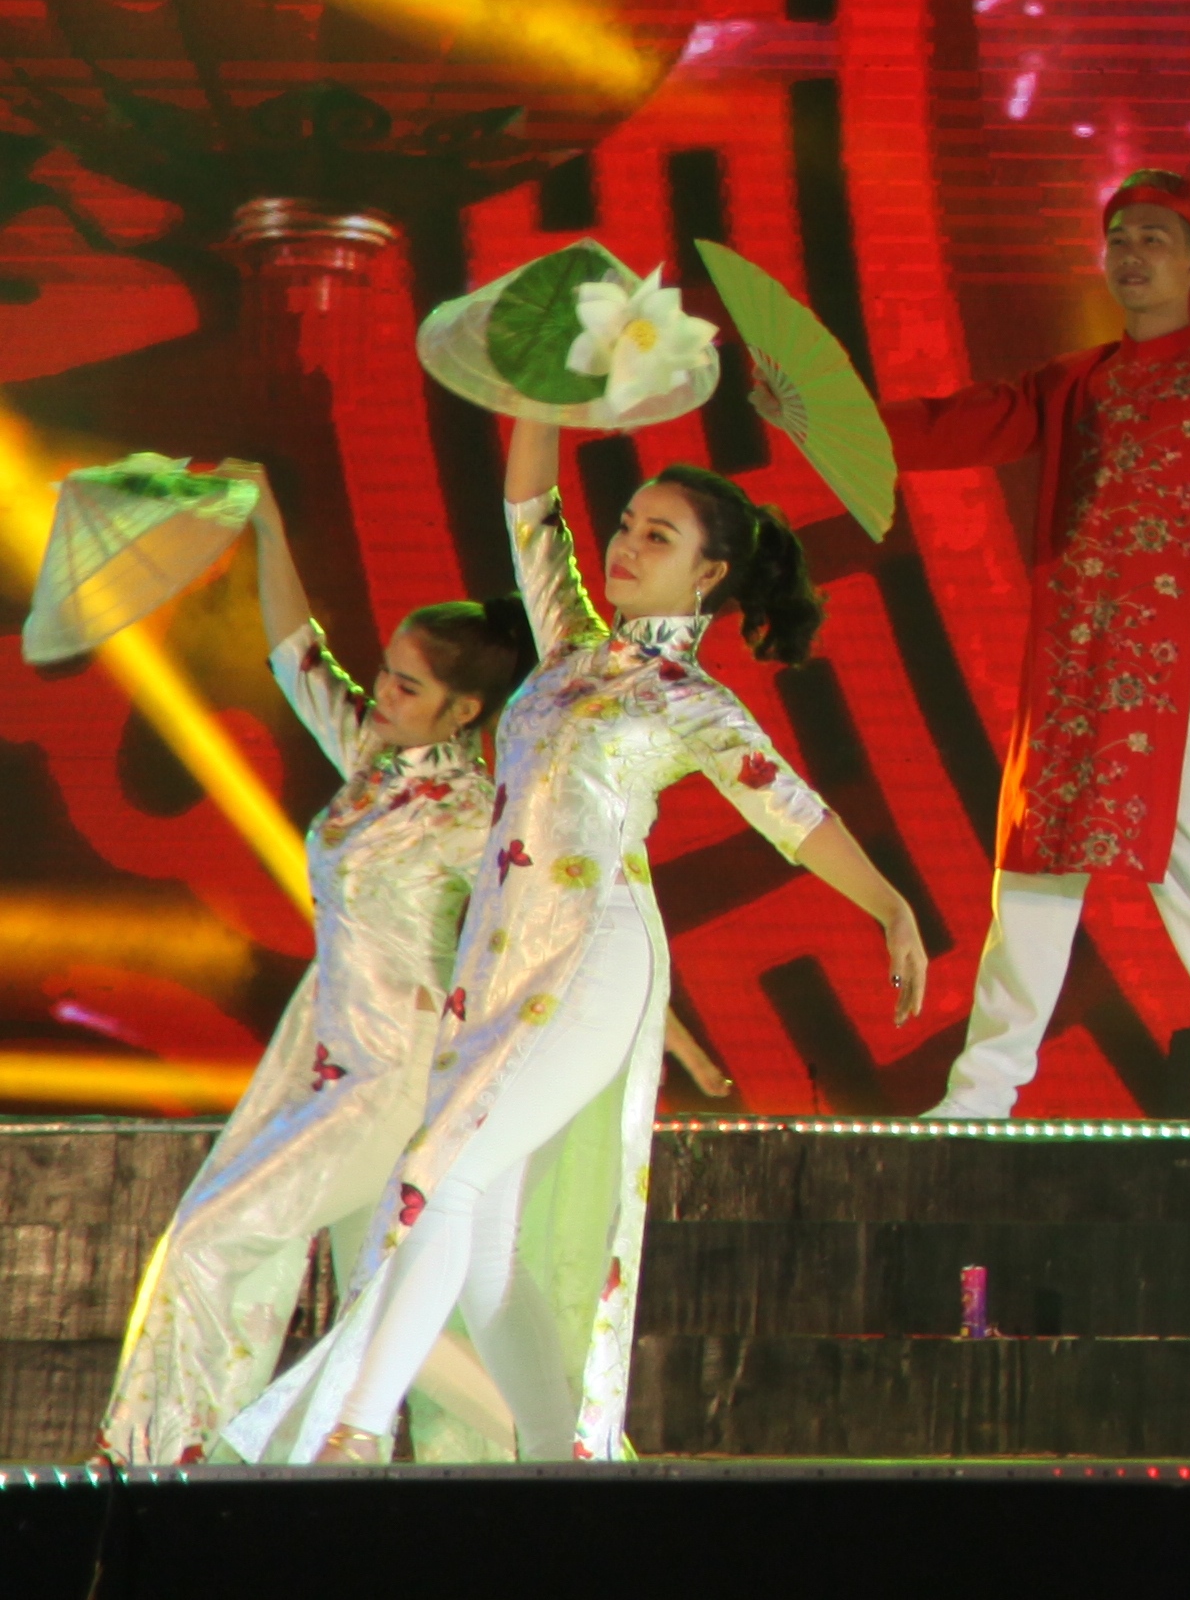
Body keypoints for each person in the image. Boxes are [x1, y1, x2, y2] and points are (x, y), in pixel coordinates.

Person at [234, 405, 929, 1462]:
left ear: (707, 575)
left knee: (441, 1173)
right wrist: (542, 386)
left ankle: (351, 1432)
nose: (627, 543)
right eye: (629, 523)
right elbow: (530, 505)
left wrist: (891, 906)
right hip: (499, 959)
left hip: (594, 953)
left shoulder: (688, 699)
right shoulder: (566, 642)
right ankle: (571, 1462)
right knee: (484, 1246)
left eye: (659, 535)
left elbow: (794, 813)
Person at [100, 472, 534, 1465]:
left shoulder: (476, 814)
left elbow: (544, 921)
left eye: (408, 687)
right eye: (386, 674)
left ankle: (178, 1457)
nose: (381, 694)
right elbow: (299, 652)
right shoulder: (375, 764)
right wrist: (267, 517)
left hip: (390, 1076)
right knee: (384, 1305)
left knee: (213, 1237)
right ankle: (575, 1449)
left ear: (464, 710)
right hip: (325, 1051)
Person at [887, 166, 1190, 1121]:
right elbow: (960, 425)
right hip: (1068, 666)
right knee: (1035, 870)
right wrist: (837, 426)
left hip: (1157, 674)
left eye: (1155, 238)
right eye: (1119, 237)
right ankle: (980, 1095)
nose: (1132, 254)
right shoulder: (1074, 383)